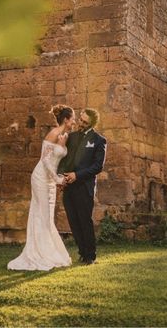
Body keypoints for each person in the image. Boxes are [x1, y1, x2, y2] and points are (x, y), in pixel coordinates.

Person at [7, 105, 75, 271]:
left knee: (47, 215)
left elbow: (58, 159)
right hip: (40, 176)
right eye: (73, 118)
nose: (74, 121)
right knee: (41, 213)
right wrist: (58, 179)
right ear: (66, 120)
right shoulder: (53, 133)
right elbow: (44, 160)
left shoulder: (65, 135)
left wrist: (58, 178)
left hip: (51, 179)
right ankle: (39, 253)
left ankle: (48, 250)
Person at [58, 108, 106, 265]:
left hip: (84, 187)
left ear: (92, 123)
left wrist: (77, 175)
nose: (81, 124)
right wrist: (61, 178)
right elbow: (63, 160)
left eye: (85, 122)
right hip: (69, 187)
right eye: (81, 120)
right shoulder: (71, 137)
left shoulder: (99, 140)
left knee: (85, 220)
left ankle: (90, 256)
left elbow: (98, 166)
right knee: (73, 221)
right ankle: (81, 252)